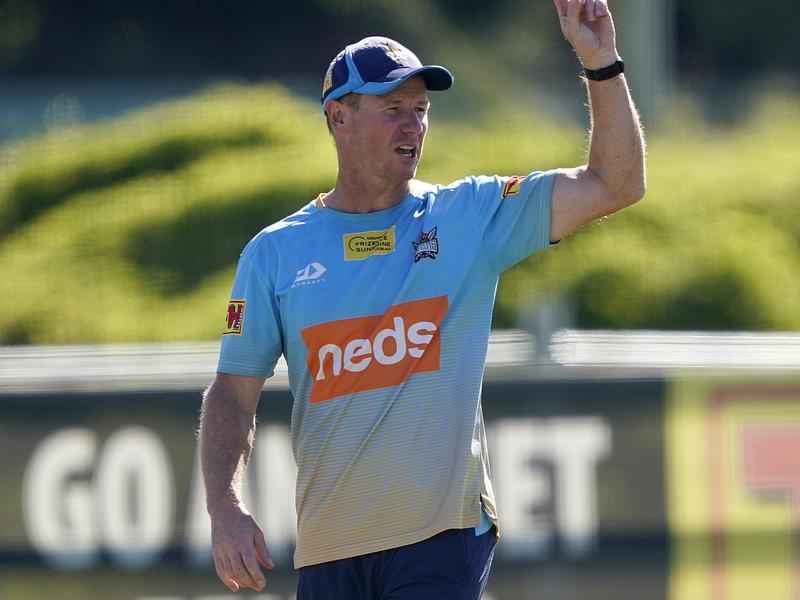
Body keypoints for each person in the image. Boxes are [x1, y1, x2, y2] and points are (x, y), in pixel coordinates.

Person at [199, 0, 645, 597]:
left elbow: (617, 183)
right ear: (338, 117)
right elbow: (232, 394)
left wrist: (602, 63)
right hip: (330, 549)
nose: (413, 126)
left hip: (442, 537)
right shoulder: (274, 253)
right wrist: (224, 507)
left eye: (421, 109)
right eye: (393, 110)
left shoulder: (467, 215)